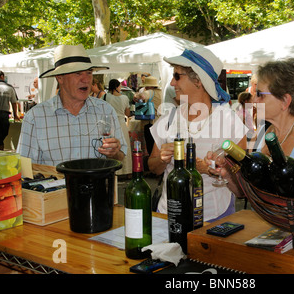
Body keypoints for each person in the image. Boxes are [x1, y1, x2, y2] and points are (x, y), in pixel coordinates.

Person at [148, 46, 248, 222]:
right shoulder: (168, 118)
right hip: (168, 215)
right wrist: (162, 160)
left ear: (198, 81)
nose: (172, 83)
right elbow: (153, 168)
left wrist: (214, 170)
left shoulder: (229, 121)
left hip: (215, 217)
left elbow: (241, 185)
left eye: (177, 76)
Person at [17, 44, 127, 166]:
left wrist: (114, 153)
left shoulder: (105, 110)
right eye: (78, 73)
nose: (86, 79)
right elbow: (25, 167)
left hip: (98, 185)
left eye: (89, 73)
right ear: (60, 78)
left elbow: (121, 155)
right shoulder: (36, 117)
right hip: (56, 185)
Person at [103, 79, 132, 176]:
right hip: (120, 122)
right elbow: (127, 113)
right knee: (124, 146)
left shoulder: (105, 96)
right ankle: (127, 170)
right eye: (119, 86)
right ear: (116, 87)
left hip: (109, 123)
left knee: (111, 147)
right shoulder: (124, 98)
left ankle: (113, 170)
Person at [133, 76, 162, 156]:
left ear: (149, 85)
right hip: (159, 120)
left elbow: (142, 96)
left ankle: (151, 164)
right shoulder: (160, 92)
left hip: (150, 121)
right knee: (157, 145)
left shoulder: (150, 92)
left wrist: (136, 96)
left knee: (151, 146)